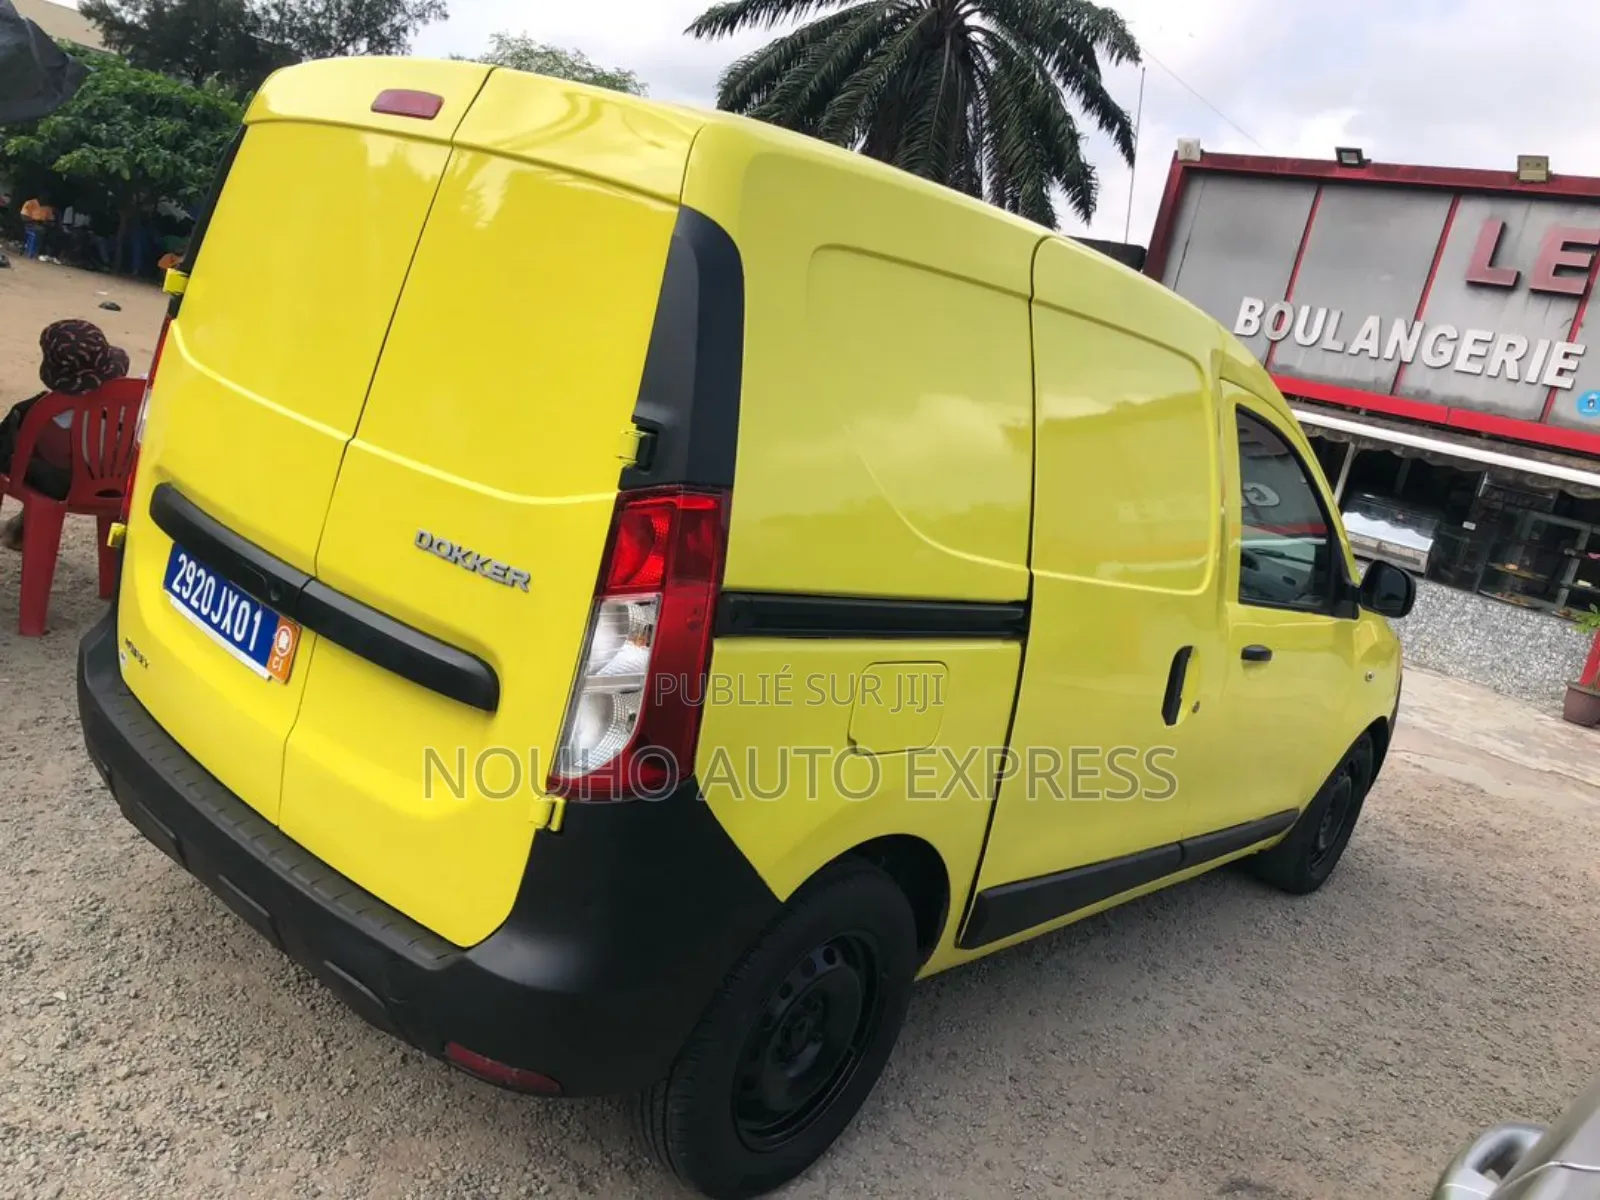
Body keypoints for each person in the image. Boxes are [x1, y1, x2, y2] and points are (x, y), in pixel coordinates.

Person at [0, 319, 130, 550]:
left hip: (59, 483)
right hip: (114, 486)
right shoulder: (131, 402)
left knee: (25, 446)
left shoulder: (47, 413)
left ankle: (23, 529)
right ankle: (21, 528)